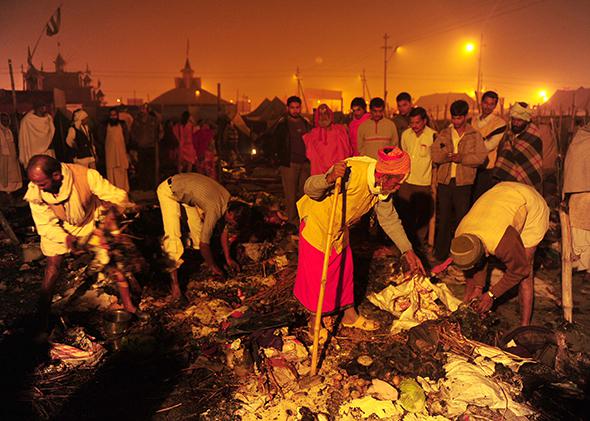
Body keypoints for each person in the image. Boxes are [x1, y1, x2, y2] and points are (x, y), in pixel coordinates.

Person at [295, 147, 425, 339]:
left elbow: (389, 219)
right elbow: (309, 188)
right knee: (317, 277)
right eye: (397, 183)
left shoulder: (382, 188)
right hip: (318, 223)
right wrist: (328, 178)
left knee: (344, 271)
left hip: (339, 228)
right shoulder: (352, 172)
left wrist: (407, 250)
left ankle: (350, 316)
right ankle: (314, 323)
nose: (398, 188)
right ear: (383, 176)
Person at [23, 155, 136, 327]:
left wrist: (109, 219)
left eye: (42, 183)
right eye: (35, 183)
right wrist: (66, 238)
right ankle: (42, 316)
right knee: (52, 268)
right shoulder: (35, 192)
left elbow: (119, 196)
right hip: (58, 227)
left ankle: (129, 308)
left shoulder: (86, 176)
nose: (37, 187)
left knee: (112, 262)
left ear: (56, 175)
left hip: (90, 221)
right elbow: (45, 226)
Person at [450, 182, 549, 326]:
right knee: (474, 271)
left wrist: (491, 294)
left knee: (526, 272)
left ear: (485, 251)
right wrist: (478, 287)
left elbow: (520, 270)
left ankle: (524, 325)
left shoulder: (502, 241)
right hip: (500, 192)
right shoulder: (460, 236)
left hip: (531, 204)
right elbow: (477, 262)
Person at [156, 173, 250, 299]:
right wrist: (214, 267)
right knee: (173, 237)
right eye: (230, 222)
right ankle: (175, 285)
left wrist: (228, 258)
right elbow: (204, 244)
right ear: (230, 213)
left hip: (187, 195)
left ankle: (197, 265)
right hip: (169, 191)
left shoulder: (227, 200)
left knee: (199, 234)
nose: (229, 224)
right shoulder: (214, 209)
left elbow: (224, 230)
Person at [431, 100, 487, 261]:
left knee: (463, 220)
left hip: (464, 183)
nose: (456, 122)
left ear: (465, 117)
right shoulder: (444, 134)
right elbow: (434, 154)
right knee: (444, 220)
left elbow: (480, 157)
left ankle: (462, 254)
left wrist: (462, 158)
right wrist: (447, 156)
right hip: (445, 182)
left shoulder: (474, 135)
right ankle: (441, 254)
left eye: (459, 118)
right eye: (453, 118)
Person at [397, 107, 436, 254]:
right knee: (405, 213)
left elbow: (434, 160)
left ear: (424, 121)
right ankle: (406, 244)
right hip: (407, 180)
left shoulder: (433, 136)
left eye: (417, 122)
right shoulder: (406, 135)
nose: (414, 126)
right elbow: (404, 154)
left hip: (423, 182)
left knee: (423, 215)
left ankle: (419, 244)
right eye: (412, 122)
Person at [270, 96, 312, 228]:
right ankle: (292, 221)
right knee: (290, 194)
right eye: (292, 107)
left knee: (304, 193)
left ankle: (302, 219)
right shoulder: (282, 124)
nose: (295, 110)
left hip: (305, 163)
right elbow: (275, 143)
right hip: (290, 163)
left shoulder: (306, 123)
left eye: (297, 107)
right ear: (287, 108)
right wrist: (278, 160)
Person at [494, 102, 543, 193]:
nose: (515, 123)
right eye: (514, 120)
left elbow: (532, 163)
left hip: (526, 182)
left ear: (526, 121)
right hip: (508, 184)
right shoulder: (509, 134)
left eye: (519, 121)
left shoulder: (533, 137)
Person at [563, 123, 590, 280]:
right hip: (580, 196)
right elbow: (573, 169)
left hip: (579, 195)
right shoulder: (581, 139)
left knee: (582, 236)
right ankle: (584, 267)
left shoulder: (579, 139)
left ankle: (584, 266)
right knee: (581, 235)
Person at [472, 91, 507, 200]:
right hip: (469, 167)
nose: (488, 106)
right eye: (486, 103)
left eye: (491, 104)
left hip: (486, 168)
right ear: (481, 103)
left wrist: (469, 147)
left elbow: (490, 145)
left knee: (481, 200)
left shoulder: (499, 123)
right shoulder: (473, 120)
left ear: (495, 106)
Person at [303, 104, 353, 175]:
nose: (323, 117)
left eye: (326, 114)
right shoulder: (312, 135)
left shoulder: (340, 131)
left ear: (330, 115)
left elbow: (346, 152)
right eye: (320, 114)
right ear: (317, 117)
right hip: (319, 175)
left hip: (338, 172)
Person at [131, 103, 162, 190]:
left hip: (151, 147)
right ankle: (143, 187)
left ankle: (152, 186)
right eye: (141, 109)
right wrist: (138, 141)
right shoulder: (137, 121)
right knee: (142, 169)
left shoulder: (153, 120)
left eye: (144, 109)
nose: (142, 111)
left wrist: (156, 140)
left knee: (151, 168)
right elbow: (133, 133)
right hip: (141, 148)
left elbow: (160, 131)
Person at [18, 100, 55, 167]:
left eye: (45, 106)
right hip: (33, 152)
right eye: (42, 106)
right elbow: (24, 138)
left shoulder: (48, 118)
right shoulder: (27, 121)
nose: (45, 108)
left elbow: (51, 134)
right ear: (38, 108)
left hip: (47, 152)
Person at [104, 108, 130, 191]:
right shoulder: (104, 126)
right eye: (111, 115)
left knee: (122, 171)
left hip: (121, 152)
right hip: (110, 154)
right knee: (111, 172)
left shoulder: (122, 124)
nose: (113, 117)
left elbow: (127, 137)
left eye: (114, 115)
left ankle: (124, 190)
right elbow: (101, 138)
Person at [0, 113, 23, 202]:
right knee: (4, 176)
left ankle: (11, 194)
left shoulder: (9, 131)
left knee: (13, 175)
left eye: (6, 120)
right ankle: (6, 195)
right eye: (3, 120)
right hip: (2, 159)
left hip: (12, 158)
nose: (5, 122)